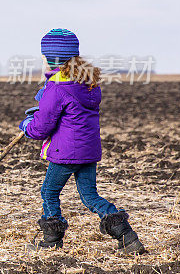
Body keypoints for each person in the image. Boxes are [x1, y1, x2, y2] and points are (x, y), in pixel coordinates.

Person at [20, 28, 145, 254]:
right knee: (90, 196)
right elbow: (69, 108)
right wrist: (45, 95)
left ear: (51, 58)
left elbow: (41, 127)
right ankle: (128, 237)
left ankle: (51, 241)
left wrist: (27, 125)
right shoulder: (87, 83)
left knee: (49, 192)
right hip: (88, 151)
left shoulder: (56, 88)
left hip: (66, 153)